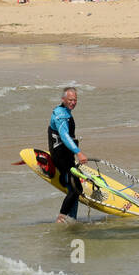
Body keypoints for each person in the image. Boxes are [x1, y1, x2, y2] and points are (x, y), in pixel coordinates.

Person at [49, 88, 87, 223]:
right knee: (76, 189)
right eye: (70, 100)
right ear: (63, 100)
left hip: (65, 155)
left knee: (73, 188)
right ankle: (61, 219)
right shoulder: (61, 116)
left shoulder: (64, 111)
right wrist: (79, 153)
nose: (73, 102)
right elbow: (64, 136)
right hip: (61, 157)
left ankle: (72, 219)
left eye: (75, 100)